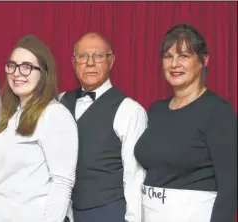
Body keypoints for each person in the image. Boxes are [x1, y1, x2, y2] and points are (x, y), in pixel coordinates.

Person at [134, 23, 237, 222]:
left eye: (184, 55)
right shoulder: (156, 110)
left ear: (203, 60)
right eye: (168, 56)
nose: (174, 64)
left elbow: (230, 185)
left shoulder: (218, 111)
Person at [0, 35, 78, 222]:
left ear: (43, 73)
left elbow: (62, 182)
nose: (17, 73)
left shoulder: (54, 115)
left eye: (27, 67)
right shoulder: (10, 114)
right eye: (12, 65)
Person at [59, 32, 147, 222]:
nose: (90, 63)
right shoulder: (60, 102)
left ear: (111, 61)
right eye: (83, 56)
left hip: (109, 212)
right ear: (74, 62)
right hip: (65, 212)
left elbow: (135, 176)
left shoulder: (130, 110)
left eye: (98, 56)